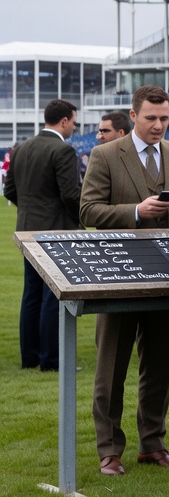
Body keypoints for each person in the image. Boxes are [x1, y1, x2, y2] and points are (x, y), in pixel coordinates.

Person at [80, 85, 169, 476]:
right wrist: (136, 210)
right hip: (119, 273)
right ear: (133, 116)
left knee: (159, 364)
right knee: (111, 366)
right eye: (151, 118)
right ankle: (109, 451)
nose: (159, 125)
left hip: (167, 273)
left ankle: (153, 444)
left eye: (164, 118)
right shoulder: (105, 155)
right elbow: (89, 210)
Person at [4, 100, 81, 371]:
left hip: (26, 229)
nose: (74, 125)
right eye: (74, 120)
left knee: (32, 294)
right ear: (63, 121)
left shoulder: (21, 148)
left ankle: (30, 357)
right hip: (55, 231)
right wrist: (82, 219)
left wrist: (29, 210)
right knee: (52, 295)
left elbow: (9, 190)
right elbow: (71, 195)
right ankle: (51, 359)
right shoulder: (62, 150)